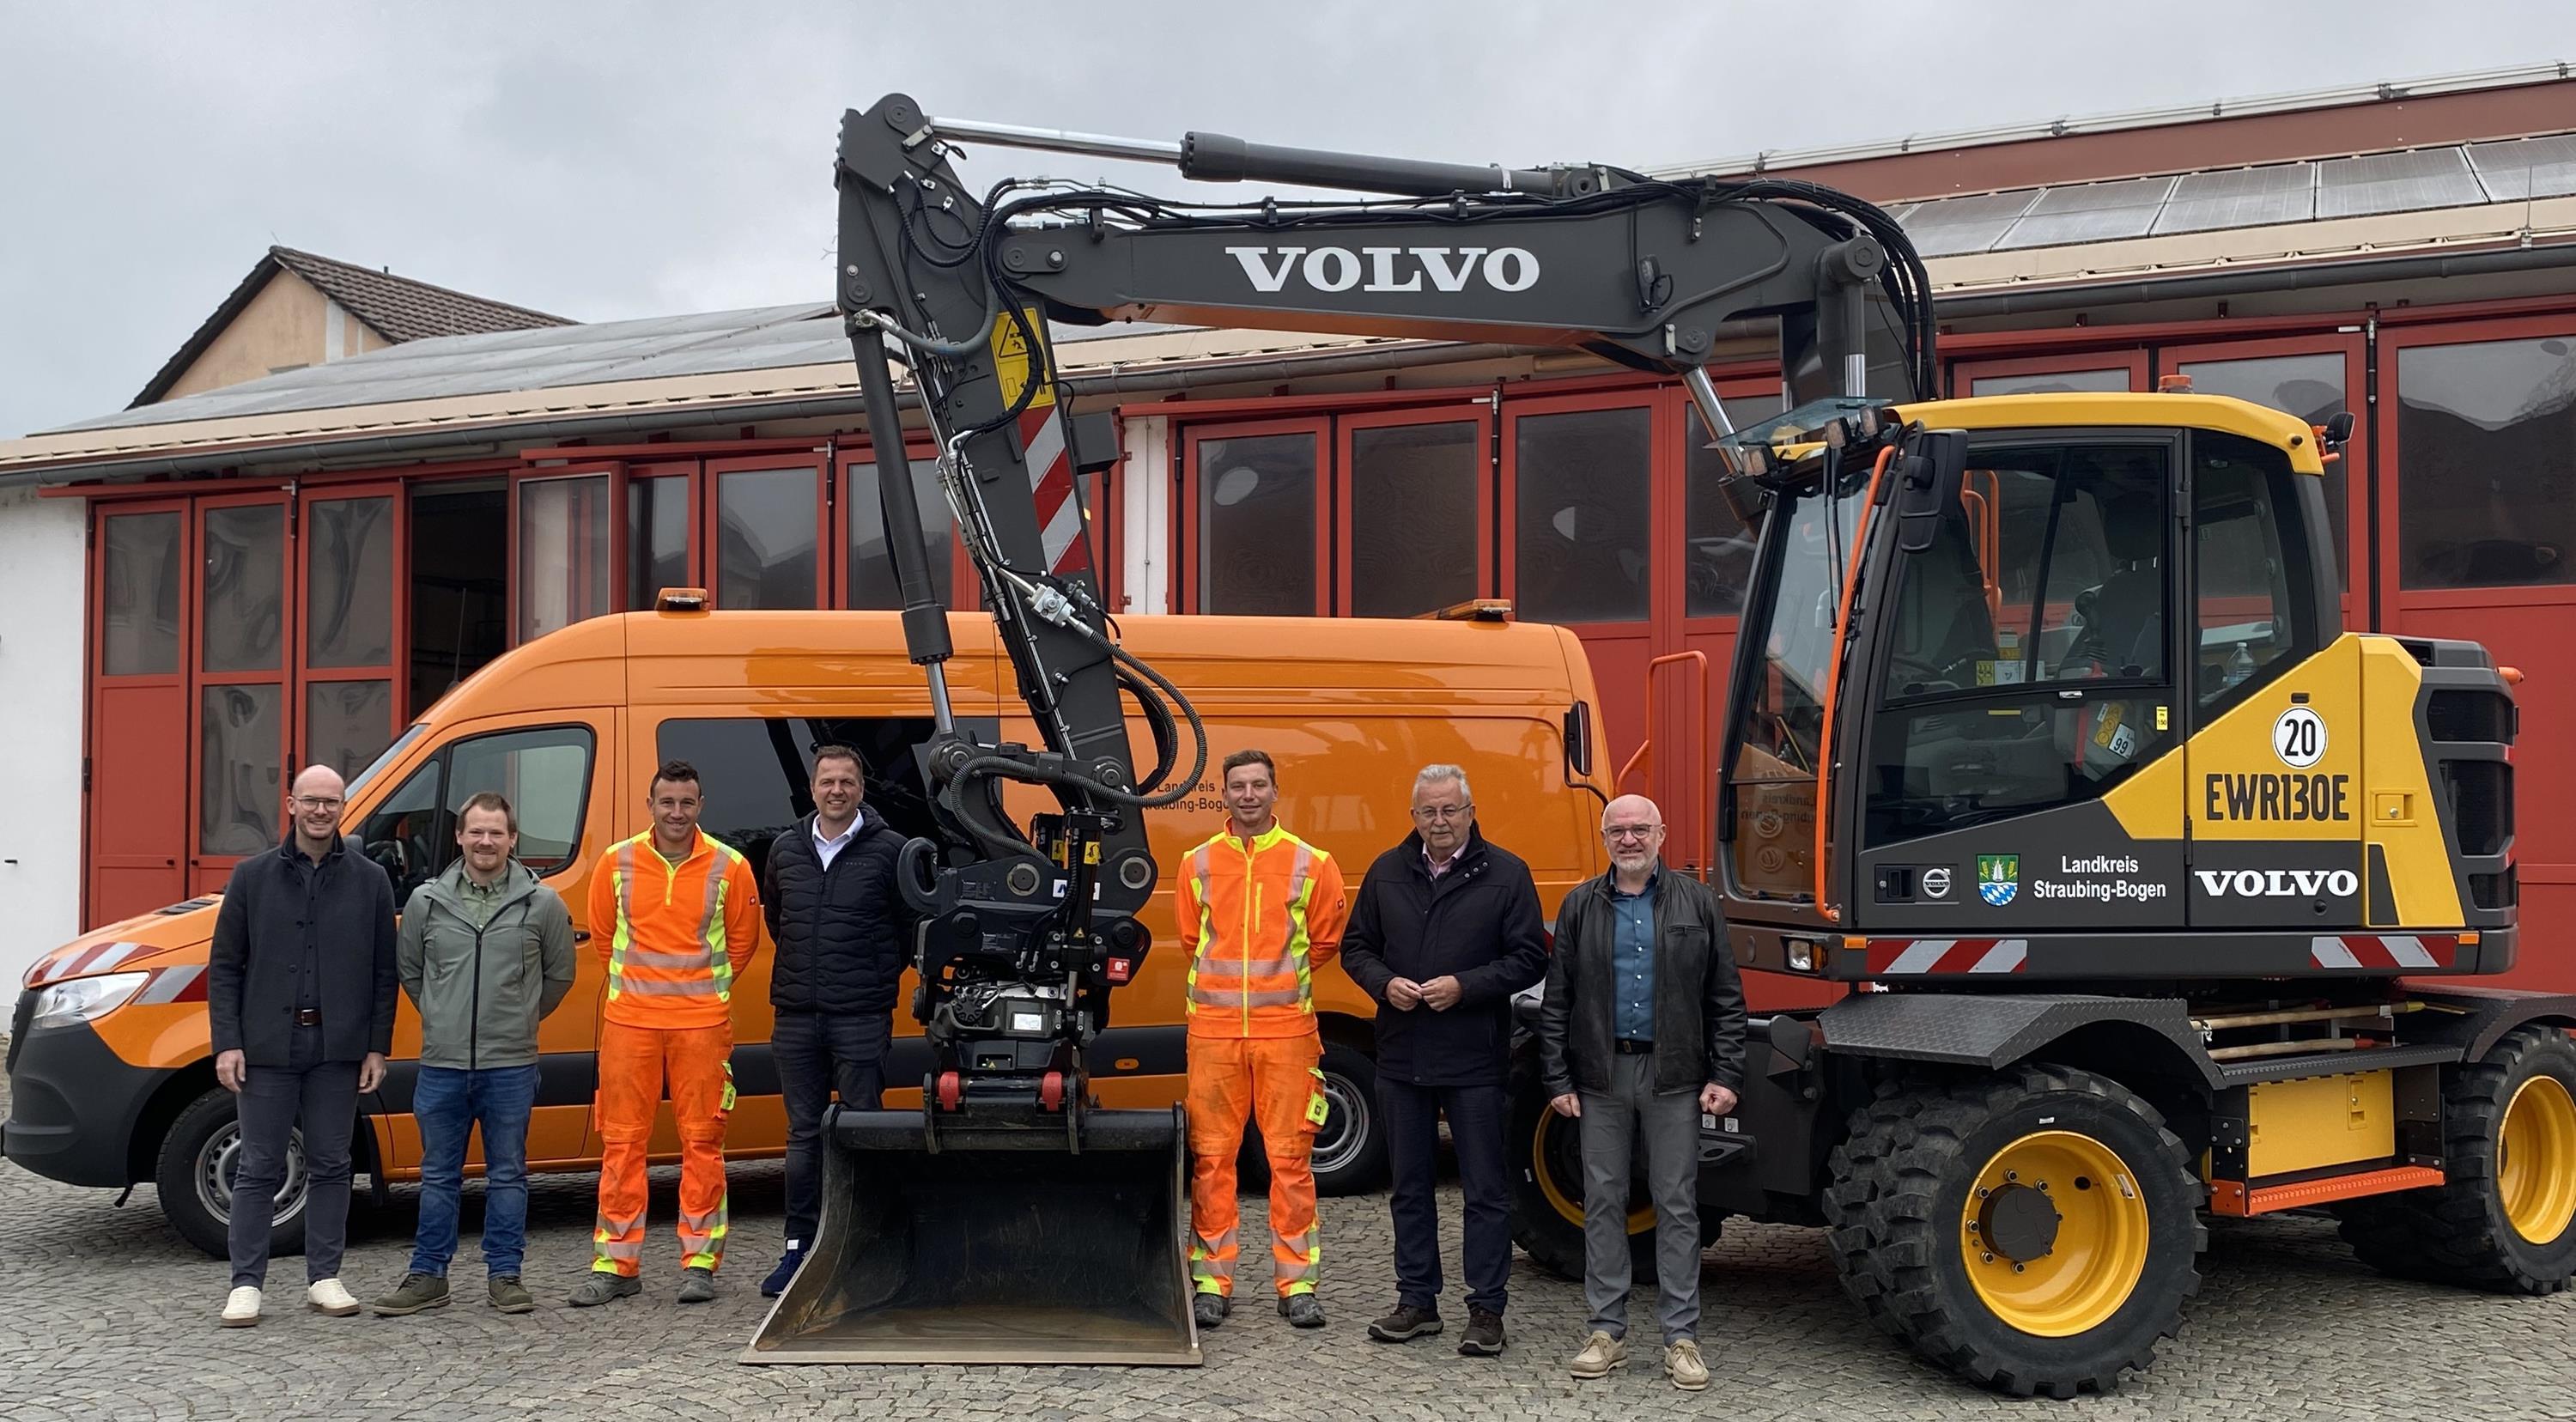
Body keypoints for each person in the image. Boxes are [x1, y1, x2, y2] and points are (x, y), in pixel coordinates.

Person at [1536, 793, 1747, 1391]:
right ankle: (1606, 1331)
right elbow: (1558, 1002)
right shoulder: (1580, 905)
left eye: (1639, 830)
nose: (1628, 840)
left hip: (1674, 1075)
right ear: (1605, 839)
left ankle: (1681, 1337)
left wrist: (1726, 1075)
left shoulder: (1697, 904)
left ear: (1662, 833)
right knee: (1603, 1201)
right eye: (1617, 831)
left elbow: (1725, 1000)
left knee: (1676, 1203)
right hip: (1601, 1077)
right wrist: (1557, 1079)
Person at [1339, 764, 1548, 1357]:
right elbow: (1357, 947)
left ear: (1470, 811)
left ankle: (1486, 1309)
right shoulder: (1386, 871)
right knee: (1409, 1186)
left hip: (1475, 1056)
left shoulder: (1506, 874)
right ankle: (1417, 1302)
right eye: (1428, 812)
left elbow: (1529, 957)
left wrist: (1466, 985)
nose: (1439, 822)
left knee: (1485, 1189)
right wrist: (1384, 984)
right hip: (1402, 1055)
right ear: (1414, 817)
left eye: (1450, 810)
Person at [370, 792, 577, 1317]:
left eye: (497, 833)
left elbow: (559, 975)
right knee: (438, 1172)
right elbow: (412, 972)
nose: (486, 841)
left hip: (510, 1063)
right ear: (460, 837)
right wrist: (442, 1016)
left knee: (508, 1172)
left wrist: (520, 1017)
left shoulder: (542, 903)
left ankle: (505, 1275)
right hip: (442, 1063)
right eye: (476, 832)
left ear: (513, 840)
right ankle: (427, 1274)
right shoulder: (426, 902)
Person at [206, 764, 398, 1327]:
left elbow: (384, 974)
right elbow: (225, 967)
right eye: (311, 801)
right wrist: (228, 1043)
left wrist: (376, 1047)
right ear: (289, 805)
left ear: (343, 809)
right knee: (259, 1166)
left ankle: (324, 1277)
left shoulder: (370, 881)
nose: (321, 811)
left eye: (331, 803)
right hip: (267, 1046)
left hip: (337, 1048)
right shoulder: (251, 877)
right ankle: (246, 1284)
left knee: (333, 1164)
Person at [572, 759, 762, 1307]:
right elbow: (605, 939)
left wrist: (696, 991)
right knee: (621, 1145)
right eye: (667, 802)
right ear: (650, 805)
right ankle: (616, 1264)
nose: (676, 812)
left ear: (700, 806)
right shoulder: (616, 863)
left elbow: (743, 944)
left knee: (702, 1143)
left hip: (702, 1026)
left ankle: (700, 1262)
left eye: (686, 802)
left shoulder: (731, 867)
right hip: (629, 1025)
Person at [1178, 748, 1349, 1331]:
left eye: (1257, 785)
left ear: (1276, 792)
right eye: (1237, 786)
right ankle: (1211, 1282)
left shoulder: (1312, 862)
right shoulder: (1196, 863)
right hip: (1214, 1035)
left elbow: (1324, 940)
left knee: (1291, 1162)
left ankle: (1297, 1285)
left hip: (1287, 1035)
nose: (1247, 795)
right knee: (1212, 1161)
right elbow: (1190, 938)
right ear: (1223, 795)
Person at [758, 744, 912, 1298]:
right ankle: (798, 1247)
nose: (837, 790)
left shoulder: (889, 850)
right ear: (813, 788)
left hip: (861, 1015)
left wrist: (869, 977)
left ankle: (865, 1246)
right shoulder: (785, 850)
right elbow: (780, 919)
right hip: (797, 1016)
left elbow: (905, 927)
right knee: (803, 1138)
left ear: (861, 790)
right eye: (828, 782)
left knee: (864, 1129)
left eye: (847, 782)